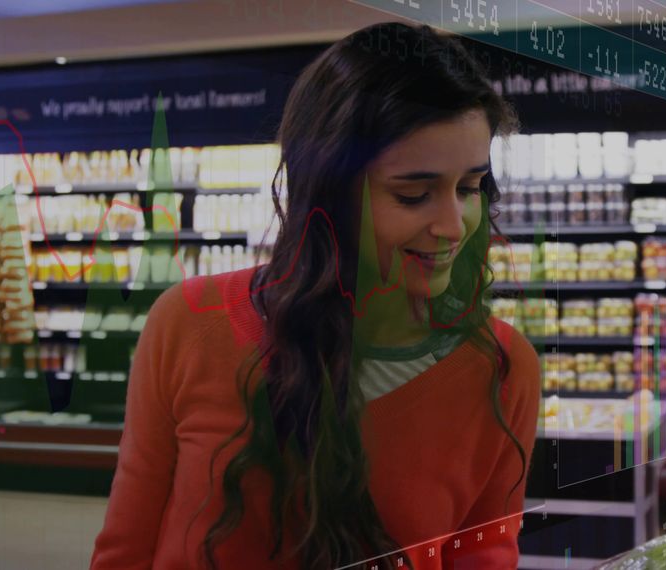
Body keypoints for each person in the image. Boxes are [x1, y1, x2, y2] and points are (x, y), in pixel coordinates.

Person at [90, 22, 540, 570]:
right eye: (414, 194)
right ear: (327, 191)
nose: (454, 225)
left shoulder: (501, 367)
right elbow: (126, 548)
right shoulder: (189, 324)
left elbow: (485, 557)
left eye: (470, 188)